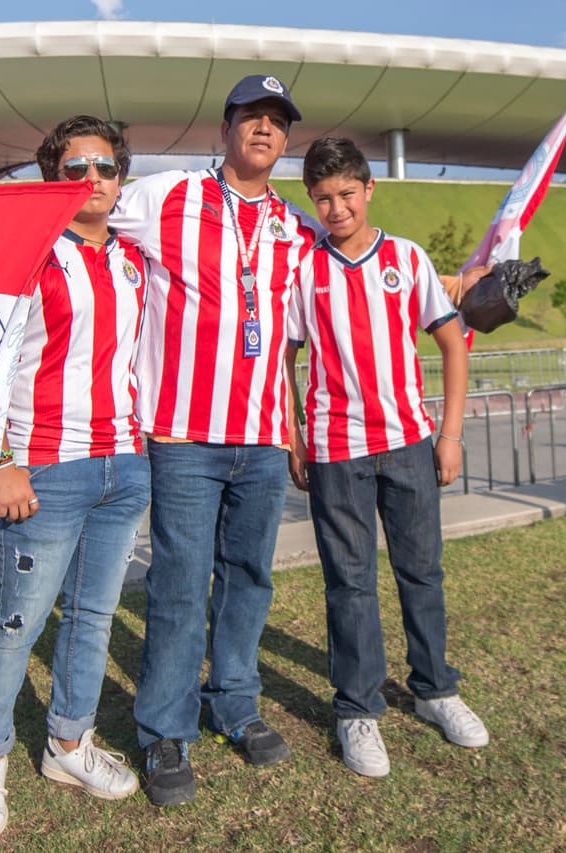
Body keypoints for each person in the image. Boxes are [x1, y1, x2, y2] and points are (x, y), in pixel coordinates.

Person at [102, 74, 320, 806]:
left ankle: (233, 698)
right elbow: (82, 203)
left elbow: (306, 329)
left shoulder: (295, 230)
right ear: (224, 128)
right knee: (178, 582)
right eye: (252, 117)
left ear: (287, 141)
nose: (265, 129)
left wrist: (291, 428)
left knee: (249, 579)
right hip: (185, 435)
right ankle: (165, 725)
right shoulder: (167, 198)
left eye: (278, 122)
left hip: (259, 438)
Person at [0, 116, 150, 841]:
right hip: (43, 468)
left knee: (93, 619)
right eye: (75, 169)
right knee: (14, 623)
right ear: (52, 181)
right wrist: (3, 460)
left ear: (119, 177)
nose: (92, 179)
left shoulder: (134, 260)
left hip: (123, 466)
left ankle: (68, 744)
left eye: (104, 166)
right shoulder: (29, 255)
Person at [285, 137, 488, 778]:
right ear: (311, 200)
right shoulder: (303, 268)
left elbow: (453, 344)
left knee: (421, 573)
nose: (336, 207)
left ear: (369, 189)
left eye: (346, 194)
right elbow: (282, 357)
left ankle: (435, 690)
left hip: (407, 443)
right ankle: (357, 710)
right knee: (349, 583)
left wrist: (448, 435)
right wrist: (294, 434)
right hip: (334, 449)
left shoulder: (406, 257)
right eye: (323, 197)